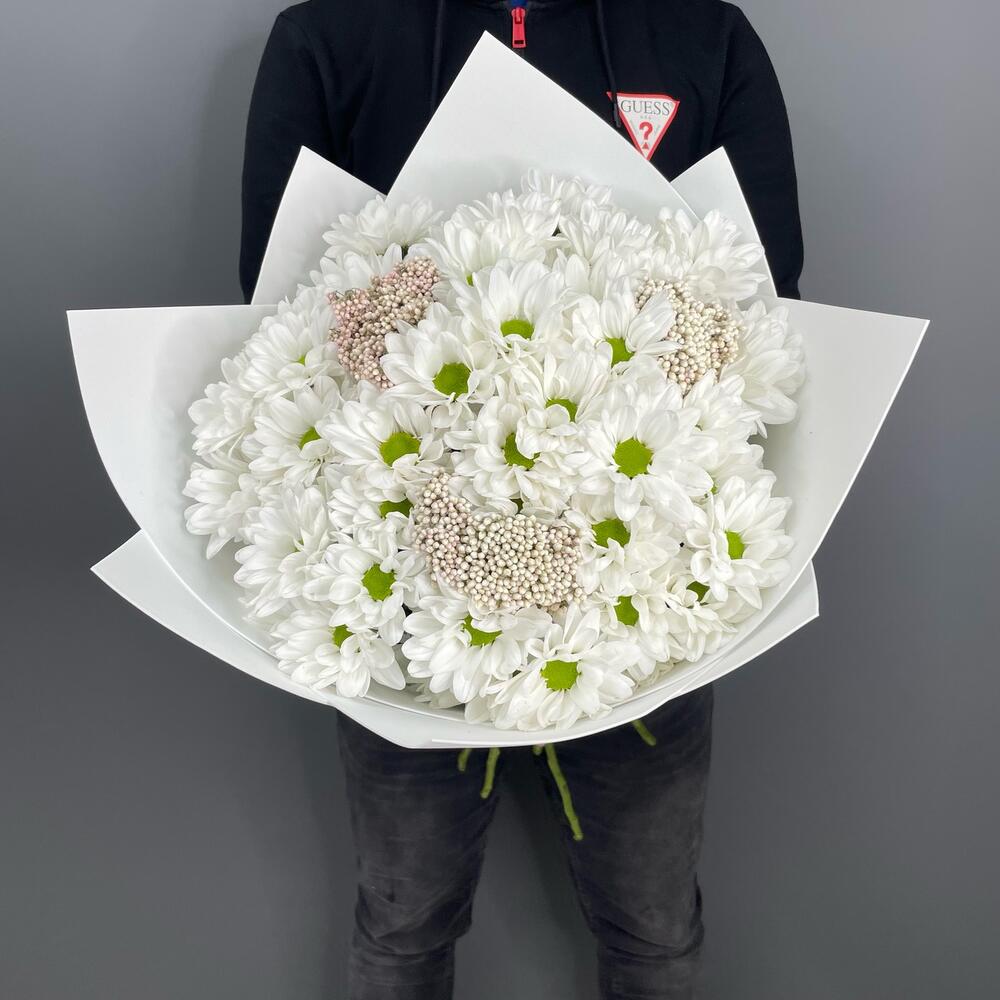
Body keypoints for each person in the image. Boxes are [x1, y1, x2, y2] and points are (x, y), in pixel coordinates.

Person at [240, 3, 803, 997]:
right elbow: (281, 311)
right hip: (403, 623)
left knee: (656, 930)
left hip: (644, 616)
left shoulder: (703, 39)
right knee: (402, 926)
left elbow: (763, 308)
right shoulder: (329, 39)